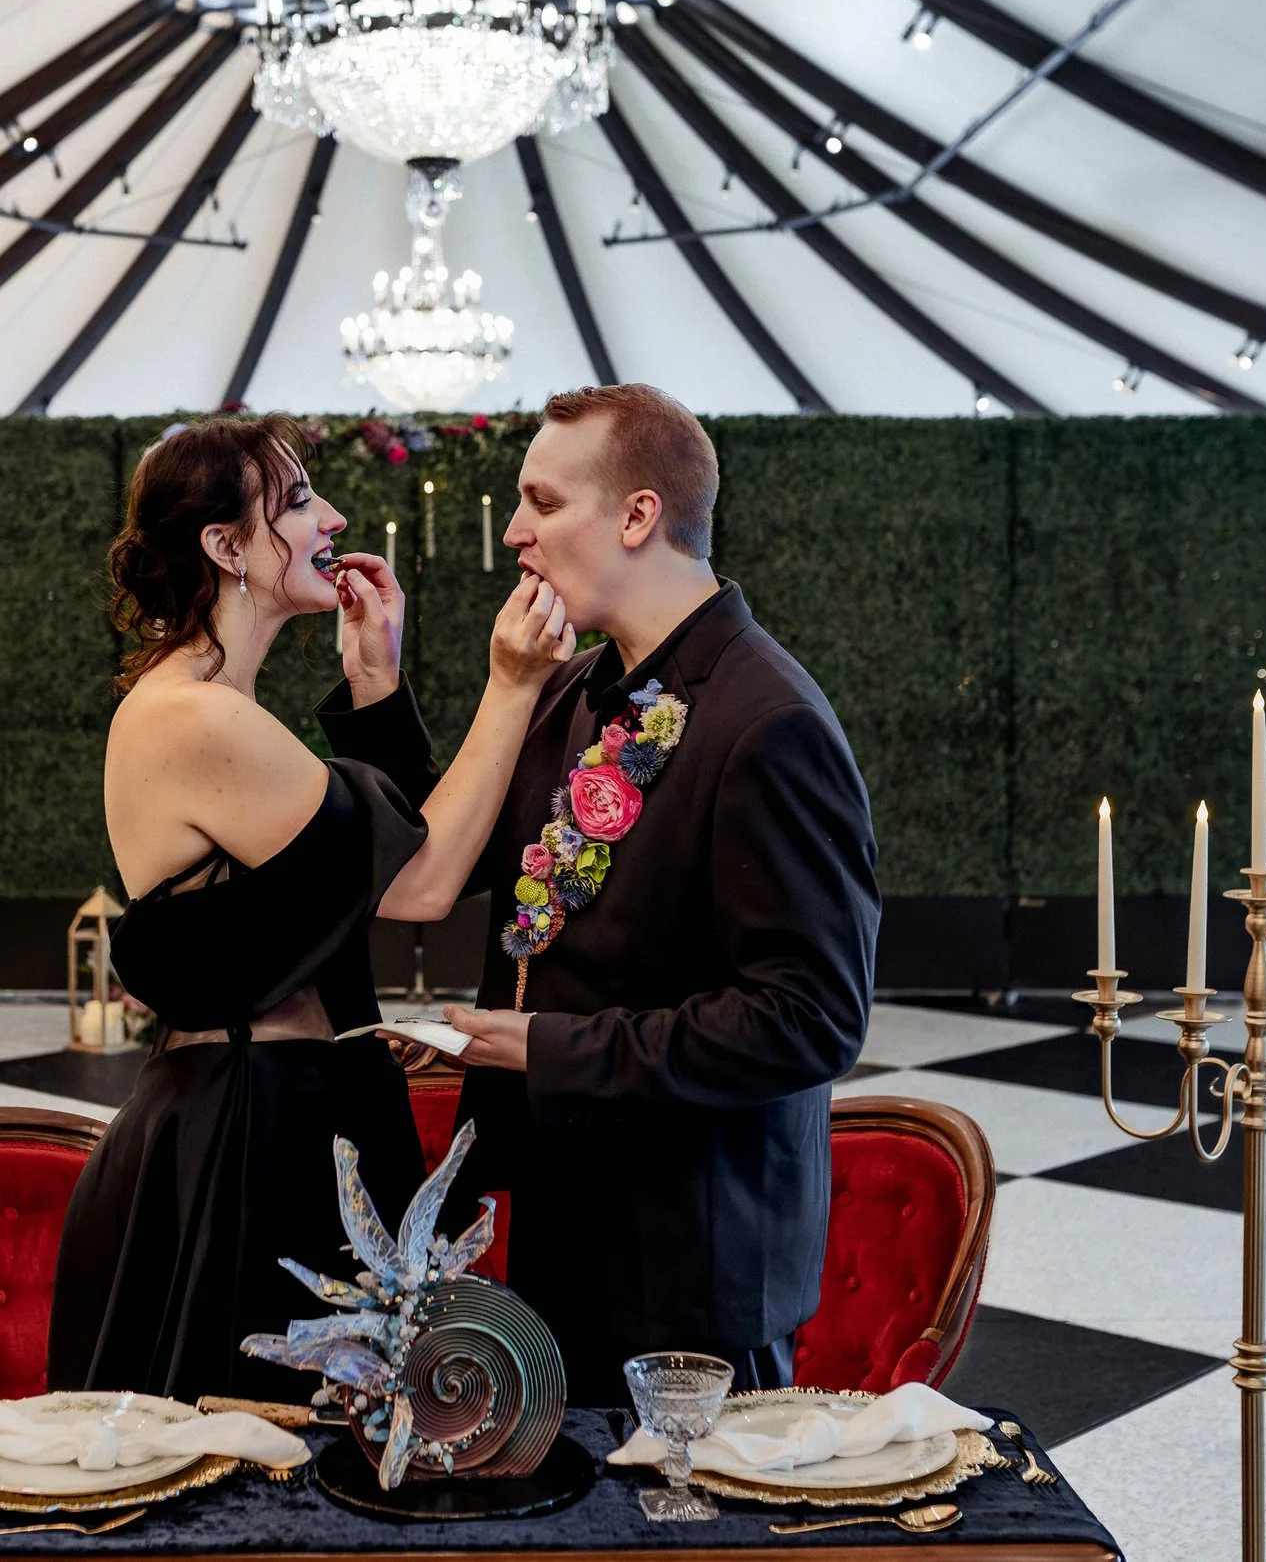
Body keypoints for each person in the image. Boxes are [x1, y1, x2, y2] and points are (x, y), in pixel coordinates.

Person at [321, 384, 881, 1407]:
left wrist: (545, 1046)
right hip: (566, 1221)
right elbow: (443, 861)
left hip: (695, 1262)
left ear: (636, 516)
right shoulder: (577, 689)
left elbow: (812, 1018)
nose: (514, 531)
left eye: (541, 499)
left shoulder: (768, 722)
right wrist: (377, 694)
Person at [45, 413, 574, 1403]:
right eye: (295, 503)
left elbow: (348, 878)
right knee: (257, 1469)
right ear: (226, 546)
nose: (330, 516)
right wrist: (512, 685)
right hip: (243, 1142)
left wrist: (374, 674)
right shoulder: (194, 716)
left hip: (278, 1111)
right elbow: (413, 885)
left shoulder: (216, 705)